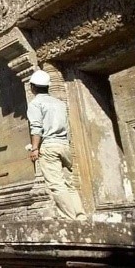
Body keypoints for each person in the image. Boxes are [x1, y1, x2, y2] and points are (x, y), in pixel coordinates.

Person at [26, 69, 87, 220]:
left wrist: (34, 148)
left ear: (33, 87)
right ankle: (80, 215)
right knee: (69, 183)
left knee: (56, 184)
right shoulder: (59, 103)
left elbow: (36, 127)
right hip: (64, 144)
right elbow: (66, 125)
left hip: (49, 145)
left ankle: (68, 217)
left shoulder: (36, 103)